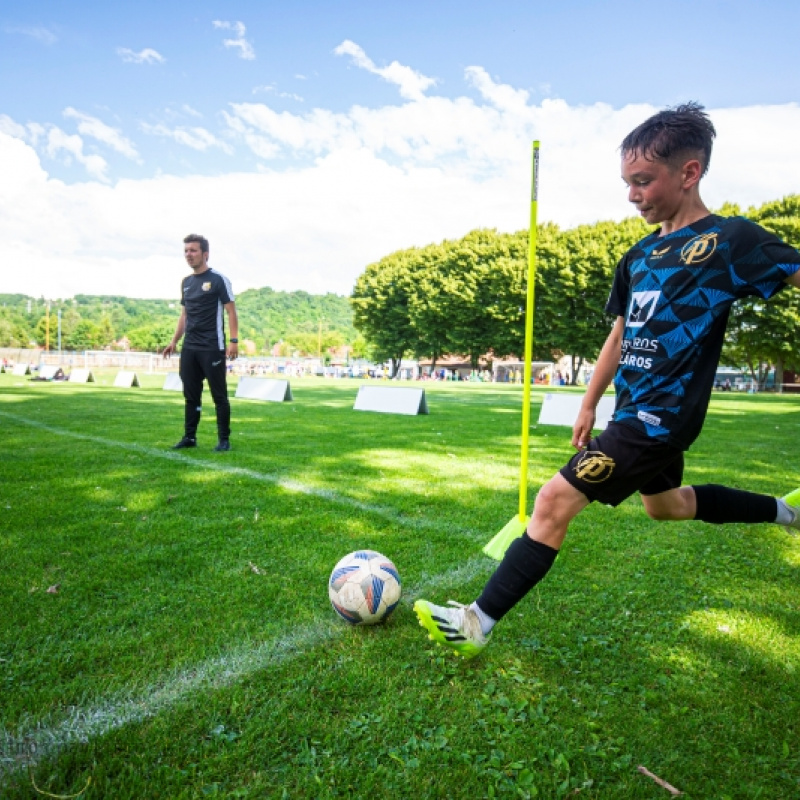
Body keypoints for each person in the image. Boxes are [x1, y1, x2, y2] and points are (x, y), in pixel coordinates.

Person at [414, 103, 800, 658]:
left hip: (660, 419)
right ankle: (788, 512)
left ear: (689, 173)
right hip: (628, 411)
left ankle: (479, 620)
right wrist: (588, 403)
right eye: (626, 183)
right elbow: (621, 334)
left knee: (552, 500)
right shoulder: (638, 256)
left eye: (643, 181)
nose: (632, 195)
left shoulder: (729, 242)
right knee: (665, 506)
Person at [163, 233, 239, 452]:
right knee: (191, 395)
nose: (189, 255)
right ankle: (190, 437)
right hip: (190, 348)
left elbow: (231, 312)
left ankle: (224, 440)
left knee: (219, 396)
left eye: (193, 250)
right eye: (186, 251)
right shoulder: (186, 283)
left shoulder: (218, 280)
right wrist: (174, 341)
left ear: (205, 254)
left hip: (212, 347)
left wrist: (233, 341)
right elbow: (184, 316)